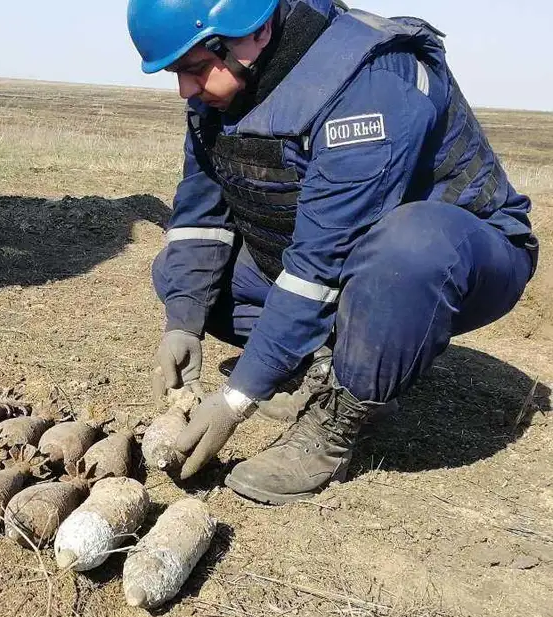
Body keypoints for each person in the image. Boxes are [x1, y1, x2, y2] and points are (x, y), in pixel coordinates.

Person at [128, 0, 539, 504]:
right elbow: (200, 217)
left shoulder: (367, 82)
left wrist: (237, 400)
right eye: (176, 73)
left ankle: (339, 419)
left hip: (459, 257)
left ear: (252, 34)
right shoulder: (220, 96)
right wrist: (182, 323)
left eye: (194, 70)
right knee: (180, 272)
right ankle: (321, 363)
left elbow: (323, 260)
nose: (186, 90)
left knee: (411, 245)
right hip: (338, 258)